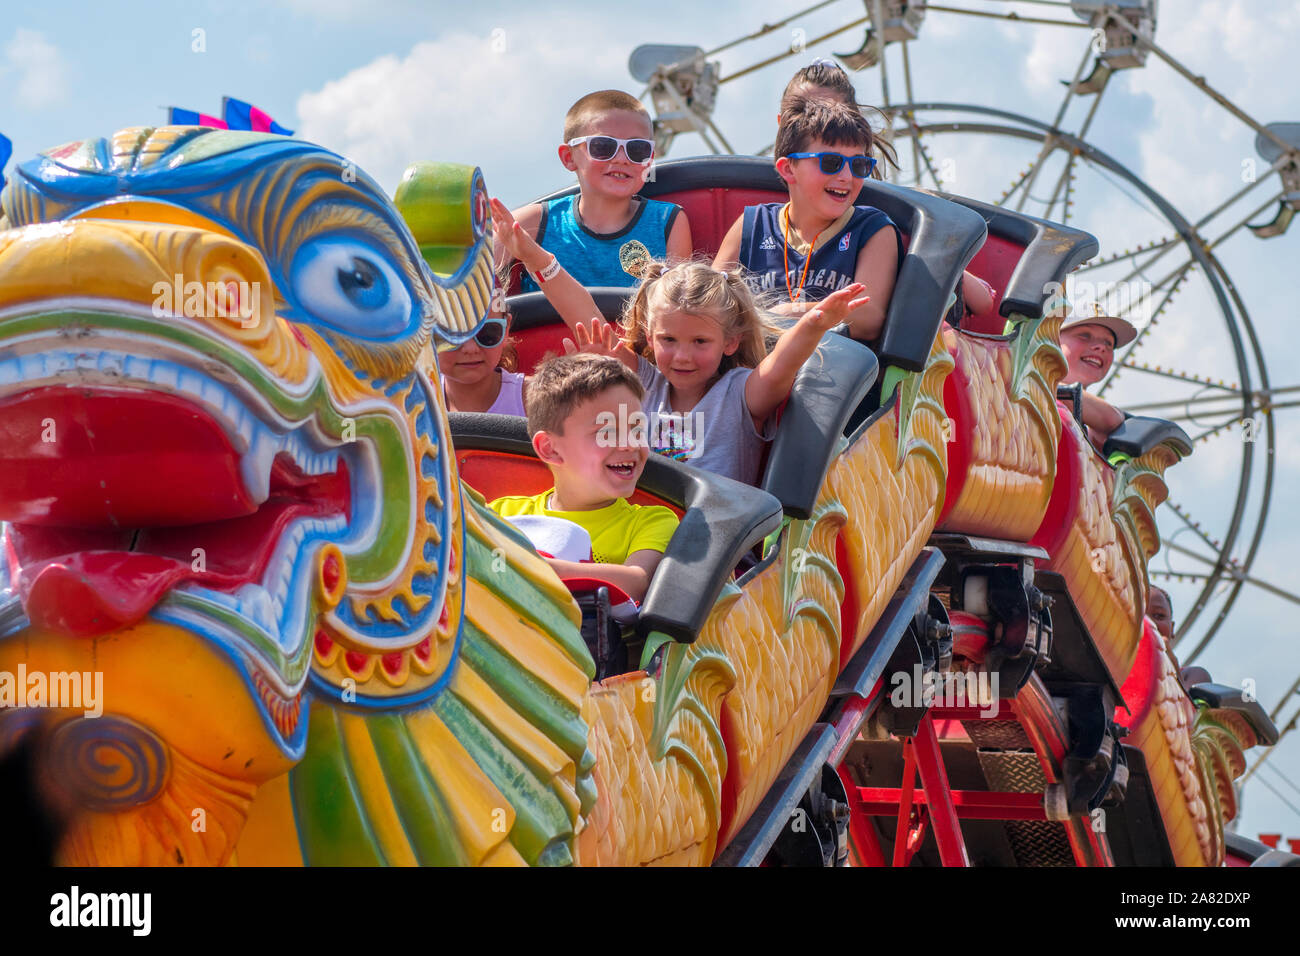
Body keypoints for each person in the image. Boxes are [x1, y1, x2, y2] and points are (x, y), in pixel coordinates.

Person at [568, 259, 871, 486]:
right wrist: (535, 259)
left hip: (714, 544)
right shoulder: (644, 382)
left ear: (730, 342)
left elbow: (782, 363)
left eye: (700, 342)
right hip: (641, 525)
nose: (683, 356)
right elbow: (585, 318)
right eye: (668, 340)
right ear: (650, 338)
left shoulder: (739, 394)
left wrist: (813, 324)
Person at [773, 61, 995, 323]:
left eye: (829, 113)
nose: (818, 122)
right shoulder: (760, 215)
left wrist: (926, 247)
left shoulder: (875, 218)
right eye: (800, 112)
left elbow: (982, 301)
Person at [488, 353, 678, 604]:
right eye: (607, 432)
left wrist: (534, 567)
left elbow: (636, 583)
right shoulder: (501, 514)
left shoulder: (652, 521)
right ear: (550, 449)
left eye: (636, 429)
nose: (630, 444)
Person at [713, 100, 900, 341]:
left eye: (859, 165)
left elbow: (867, 316)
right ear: (788, 169)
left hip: (832, 372)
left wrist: (791, 313)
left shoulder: (873, 229)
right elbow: (709, 303)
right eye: (831, 163)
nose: (846, 176)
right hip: (752, 370)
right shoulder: (753, 223)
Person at [507, 90, 693, 291]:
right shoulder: (533, 222)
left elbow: (679, 308)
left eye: (637, 149)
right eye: (603, 146)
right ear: (569, 157)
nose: (622, 158)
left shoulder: (667, 222)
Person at [437, 272, 525, 414]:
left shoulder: (536, 401)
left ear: (506, 328)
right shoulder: (414, 405)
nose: (470, 348)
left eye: (487, 332)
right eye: (454, 334)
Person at [1058, 302, 1137, 449]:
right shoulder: (1023, 382)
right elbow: (1109, 418)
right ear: (1052, 340)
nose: (1101, 347)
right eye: (1084, 335)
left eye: (1108, 343)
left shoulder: (1088, 428)